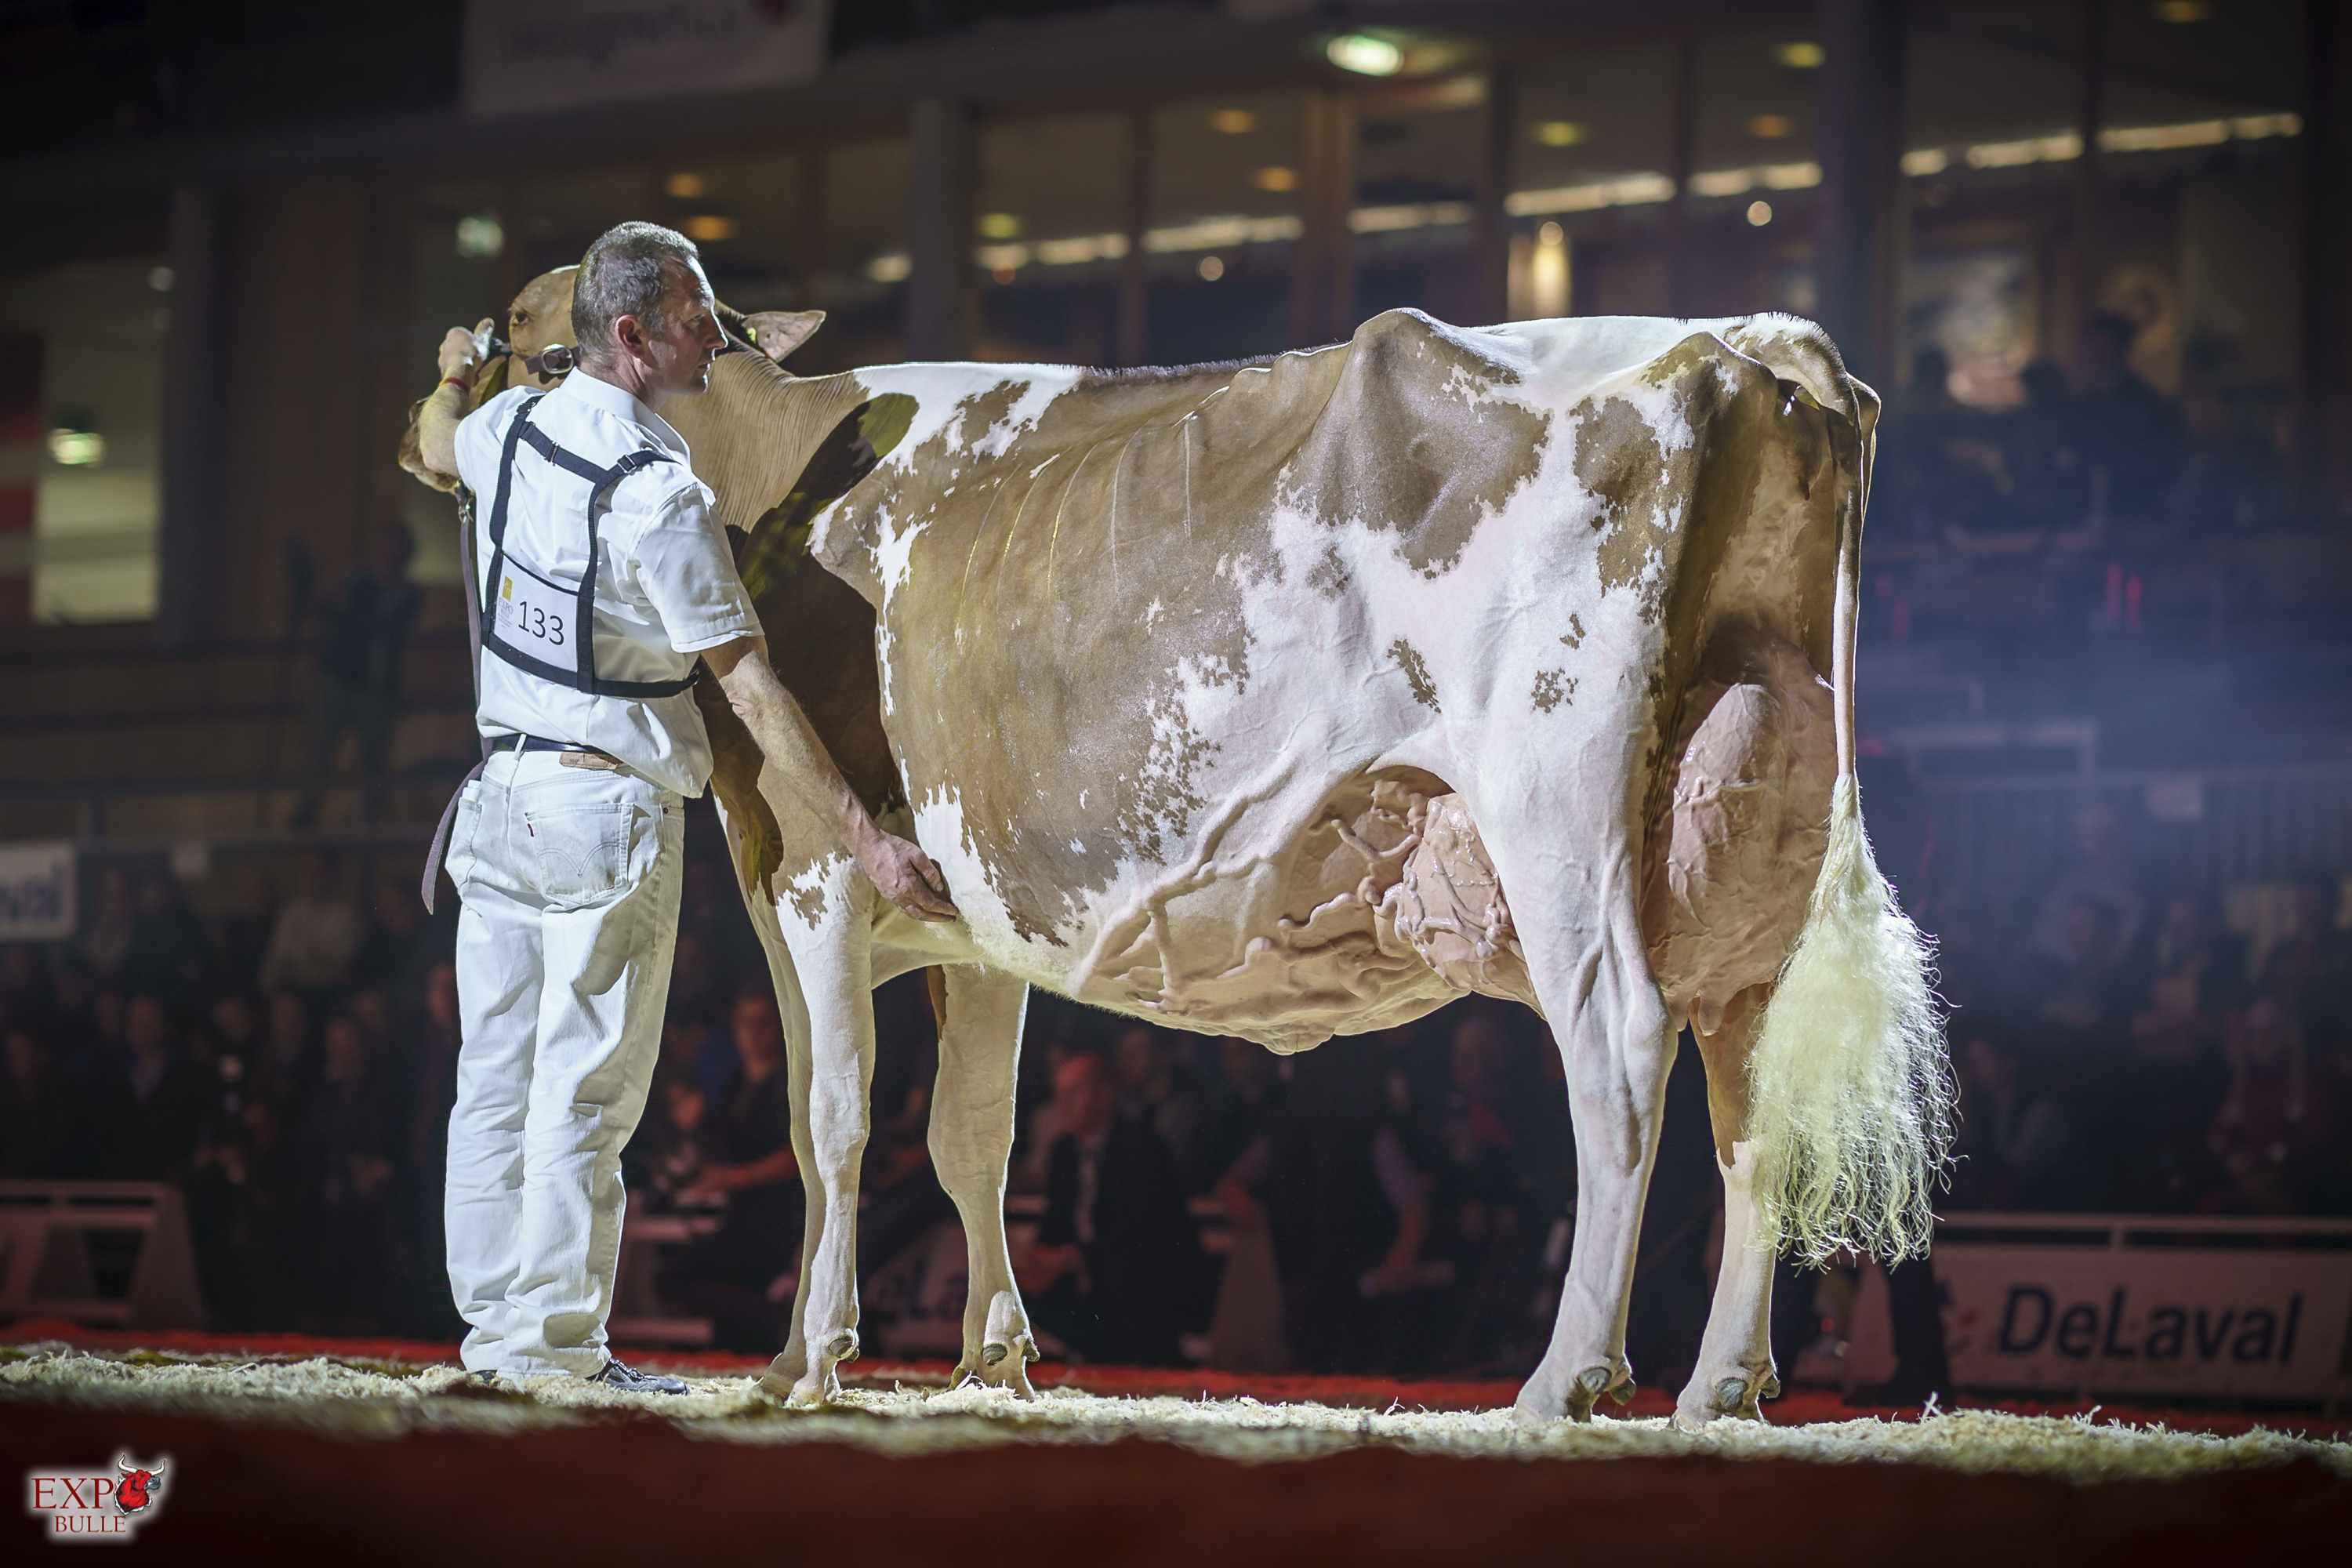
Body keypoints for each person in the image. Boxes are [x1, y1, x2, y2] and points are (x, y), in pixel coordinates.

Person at [413, 220, 957, 1393]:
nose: (718, 339)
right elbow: (750, 687)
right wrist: (866, 837)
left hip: (500, 794)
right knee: (583, 1089)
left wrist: (455, 372)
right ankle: (556, 1350)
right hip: (604, 808)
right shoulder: (660, 492)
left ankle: (495, 1339)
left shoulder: (506, 427)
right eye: (696, 320)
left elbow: (438, 441)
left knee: (494, 1075)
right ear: (631, 335)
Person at [1018, 1051, 1202, 1366]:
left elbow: (1140, 1236)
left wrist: (1068, 1258)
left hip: (1142, 1282)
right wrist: (1037, 1259)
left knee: (1125, 1281)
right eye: (1059, 1094)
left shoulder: (1140, 1146)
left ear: (1104, 1095)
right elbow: (1055, 1222)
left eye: (1074, 1092)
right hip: (1087, 1279)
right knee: (1019, 1294)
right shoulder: (1064, 1152)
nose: (1063, 1104)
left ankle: (1142, 1360)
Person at [294, 526, 420, 828]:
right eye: (388, 546)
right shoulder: (357, 580)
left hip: (374, 690)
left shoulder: (406, 594)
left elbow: (383, 626)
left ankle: (369, 824)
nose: (390, 555)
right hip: (337, 680)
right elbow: (329, 611)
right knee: (319, 752)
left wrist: (349, 612)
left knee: (372, 763)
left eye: (397, 549)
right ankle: (306, 814)